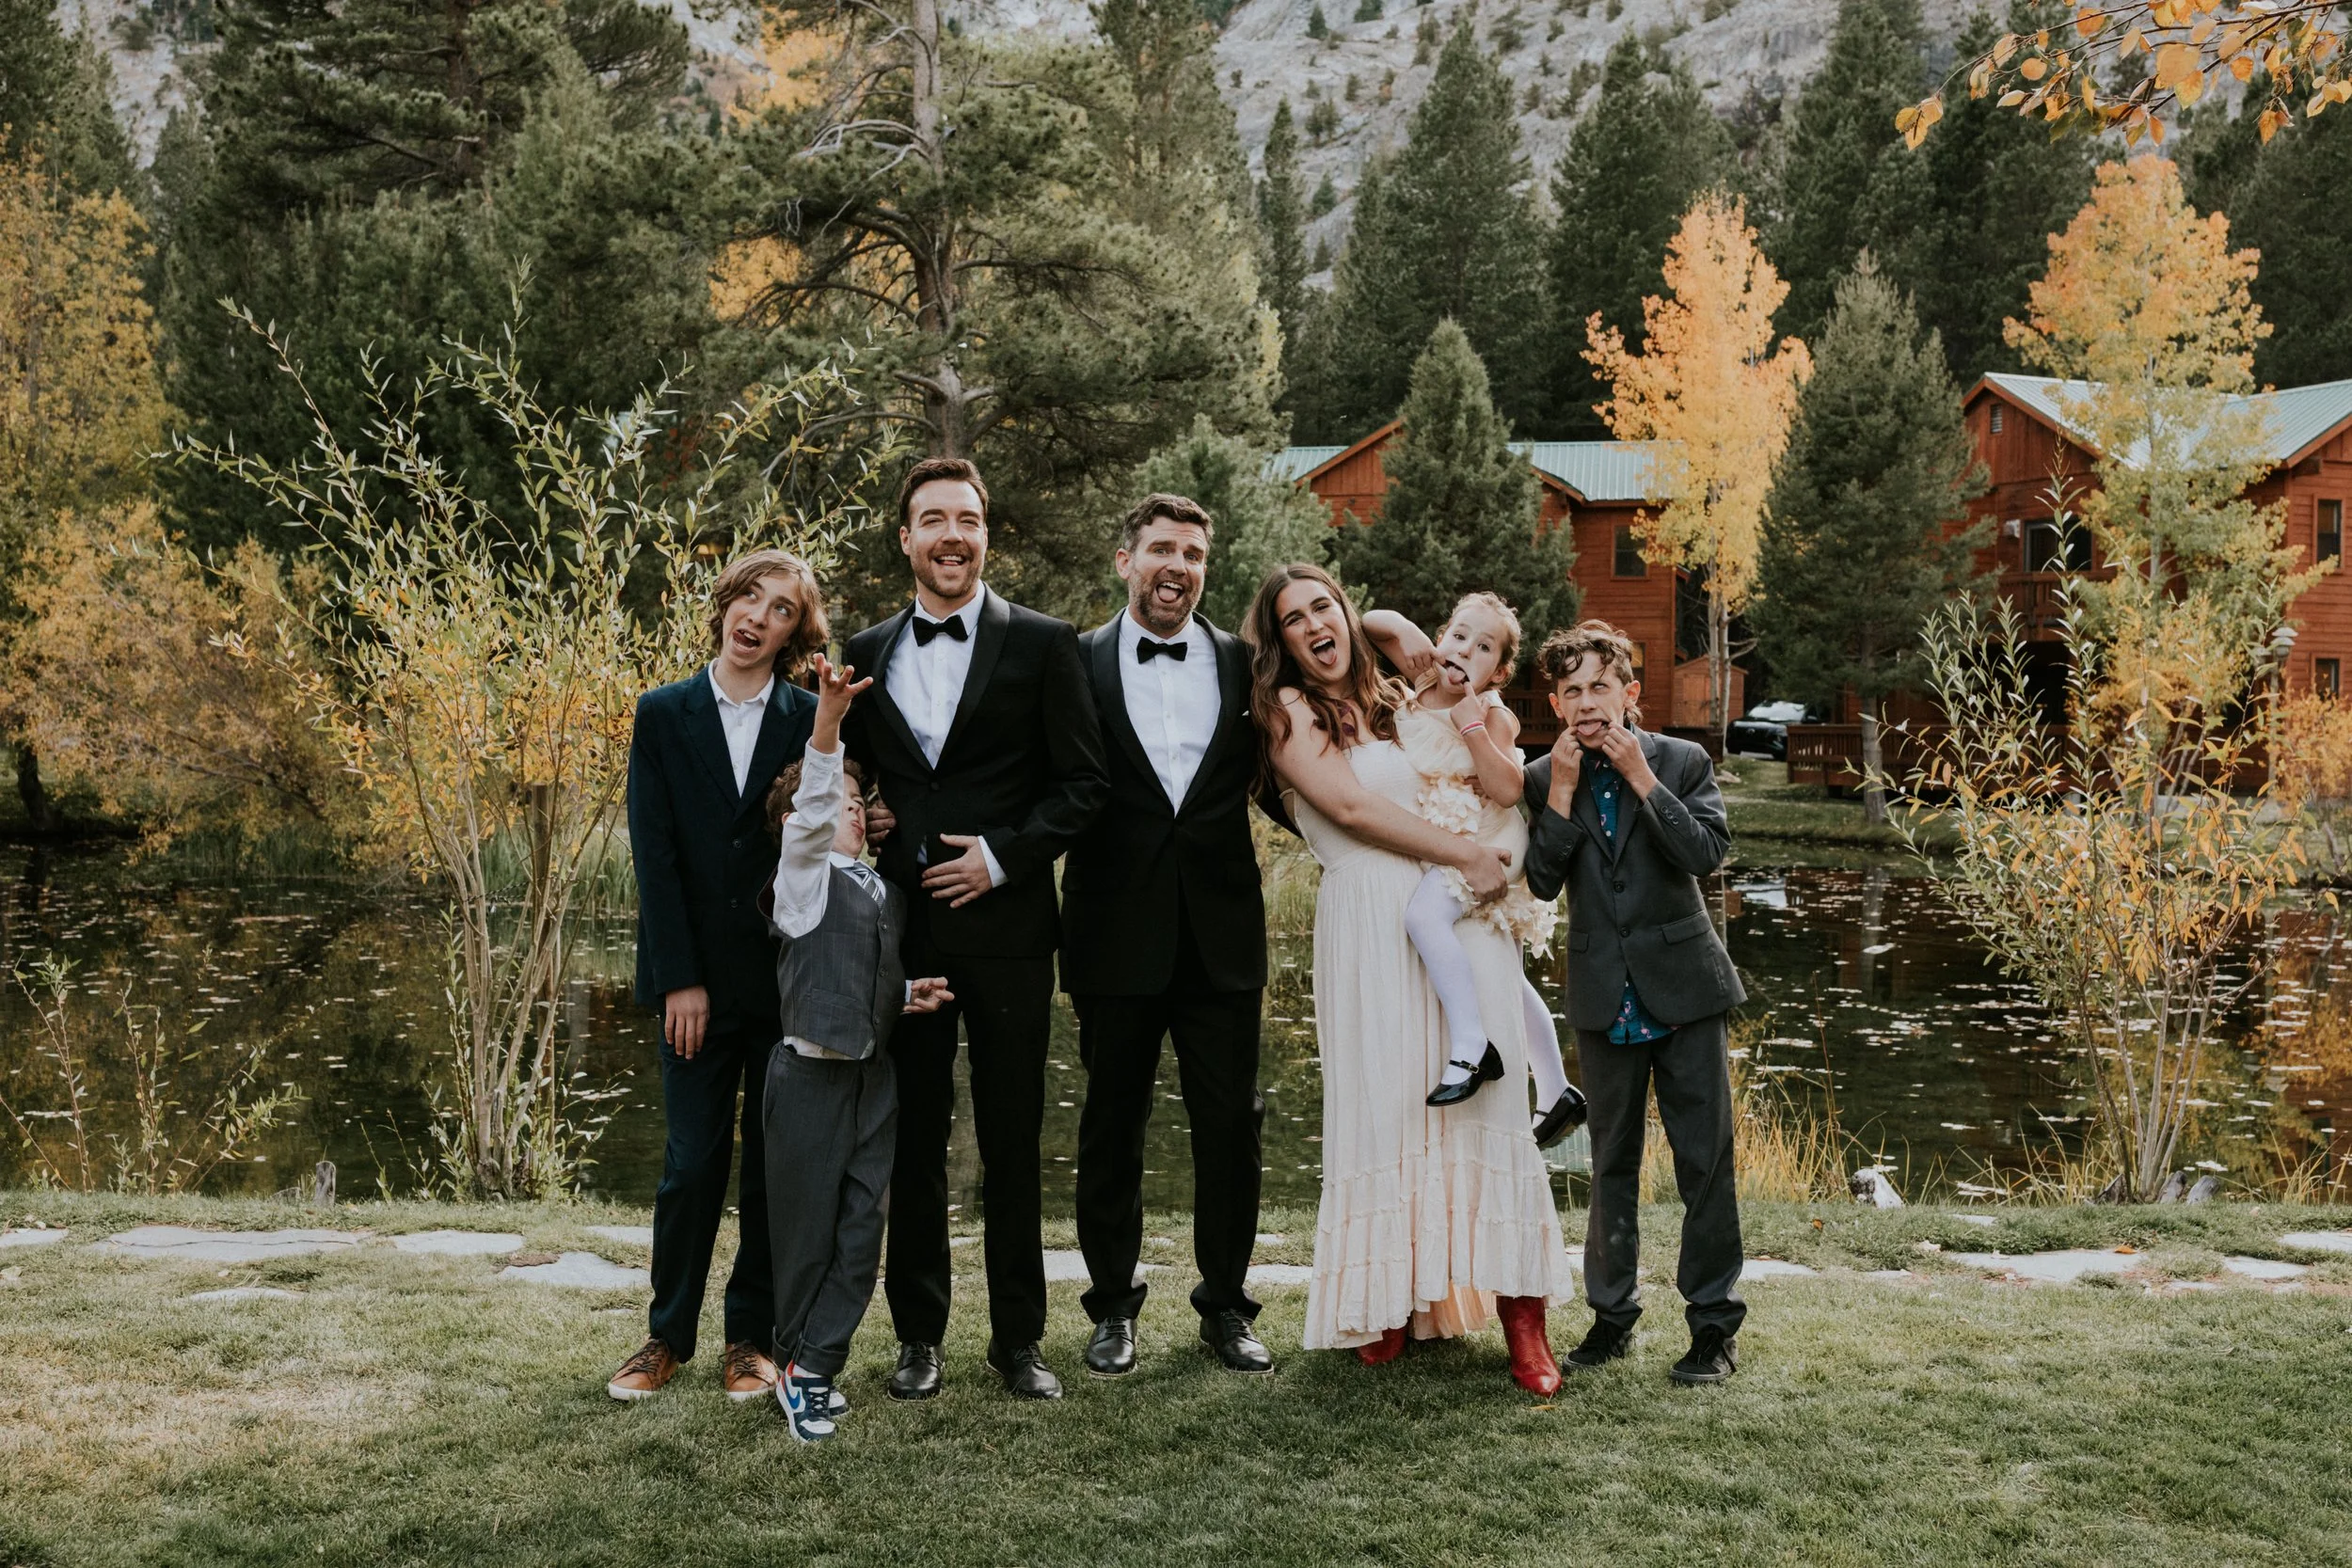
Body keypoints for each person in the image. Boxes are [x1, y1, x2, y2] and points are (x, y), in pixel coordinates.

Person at [1247, 562, 1574, 1396]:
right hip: (1368, 917)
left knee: (1490, 1105)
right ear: (1277, 640)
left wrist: (1388, 635)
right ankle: (1390, 1301)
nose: (1315, 624)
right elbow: (1353, 811)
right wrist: (1466, 852)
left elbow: (1398, 630)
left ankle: (1524, 1321)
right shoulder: (1285, 713)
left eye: (1325, 605)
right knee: (1390, 1104)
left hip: (1455, 918)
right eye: (1294, 618)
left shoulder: (1397, 697)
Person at [840, 456, 1109, 1402]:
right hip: (902, 935)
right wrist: (869, 806)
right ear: (905, 537)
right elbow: (855, 767)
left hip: (1010, 932)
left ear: (984, 534)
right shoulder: (867, 649)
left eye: (967, 518)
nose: (952, 534)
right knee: (911, 1137)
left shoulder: (1044, 644)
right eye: (933, 519)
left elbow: (1084, 785)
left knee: (1011, 1135)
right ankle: (919, 1335)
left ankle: (1019, 1340)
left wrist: (1001, 855)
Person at [612, 550, 830, 1403]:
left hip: (784, 980)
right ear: (725, 604)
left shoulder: (814, 716)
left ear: (793, 632)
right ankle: (667, 1335)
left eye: (779, 608)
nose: (756, 616)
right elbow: (655, 856)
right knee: (691, 1161)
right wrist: (679, 979)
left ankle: (753, 1339)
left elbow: (828, 829)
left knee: (772, 1168)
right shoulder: (662, 713)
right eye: (748, 596)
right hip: (694, 988)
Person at [1064, 494, 1272, 1381]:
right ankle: (1113, 1307)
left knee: (1233, 1127)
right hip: (1113, 932)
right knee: (1112, 1125)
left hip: (1222, 934)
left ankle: (1225, 1306)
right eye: (1161, 548)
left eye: (1192, 552)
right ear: (1126, 561)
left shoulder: (1246, 662)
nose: (1176, 566)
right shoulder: (1071, 662)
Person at [1519, 621, 1748, 1386]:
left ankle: (1713, 1329)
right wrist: (1557, 789)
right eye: (1572, 689)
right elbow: (1544, 881)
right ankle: (1611, 1318)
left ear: (1629, 693)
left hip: (1685, 990)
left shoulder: (1682, 761)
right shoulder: (1541, 774)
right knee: (1610, 1163)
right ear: (1556, 700)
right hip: (1601, 993)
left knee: (1704, 1164)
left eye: (1600, 687)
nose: (1587, 702)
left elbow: (1707, 855)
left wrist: (1642, 781)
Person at [758, 653, 953, 1442]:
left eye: (857, 801)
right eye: (842, 802)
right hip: (808, 1080)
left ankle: (819, 1364)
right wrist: (828, 725)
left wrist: (903, 996)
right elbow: (809, 808)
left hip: (873, 1081)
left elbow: (858, 973)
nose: (854, 811)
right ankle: (791, 1360)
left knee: (860, 1230)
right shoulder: (801, 877)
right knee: (806, 1234)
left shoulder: (883, 892)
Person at [1361, 597, 1585, 1143]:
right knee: (1507, 973)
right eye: (1458, 636)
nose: (1465, 650)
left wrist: (1472, 729)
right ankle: (1557, 1090)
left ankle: (1471, 1045)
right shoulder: (1415, 689)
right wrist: (1415, 638)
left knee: (1424, 918)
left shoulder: (1491, 711)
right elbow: (1369, 623)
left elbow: (1508, 789)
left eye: (1483, 647)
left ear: (1499, 672)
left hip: (1490, 841)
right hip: (1455, 833)